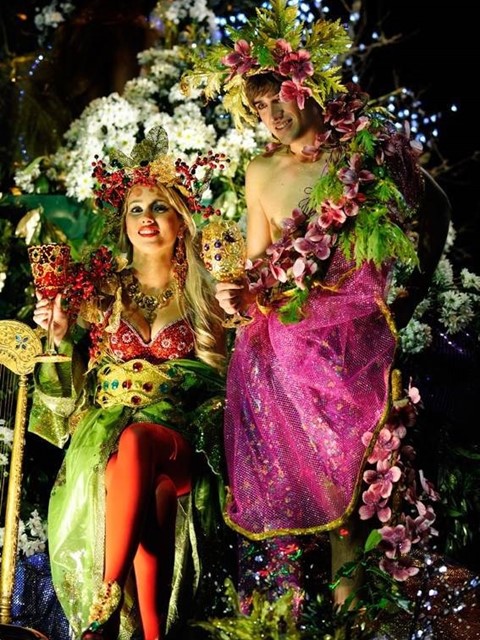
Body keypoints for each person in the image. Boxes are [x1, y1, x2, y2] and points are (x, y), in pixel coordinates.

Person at [183, 0, 452, 620]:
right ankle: (278, 622)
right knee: (283, 497)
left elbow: (435, 206)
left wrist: (411, 291)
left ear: (305, 86)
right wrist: (236, 294)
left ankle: (351, 623)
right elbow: (257, 266)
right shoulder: (260, 171)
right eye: (258, 107)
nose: (271, 115)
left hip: (354, 348)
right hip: (276, 356)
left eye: (277, 97)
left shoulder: (367, 152)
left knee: (350, 498)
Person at [28, 128, 227, 640]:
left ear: (181, 220)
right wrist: (57, 338)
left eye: (159, 207)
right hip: (111, 443)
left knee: (141, 442)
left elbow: (227, 383)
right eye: (136, 209)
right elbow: (64, 397)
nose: (146, 218)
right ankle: (153, 633)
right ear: (123, 222)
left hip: (181, 441)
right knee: (144, 486)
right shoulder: (99, 294)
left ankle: (107, 595)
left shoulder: (208, 297)